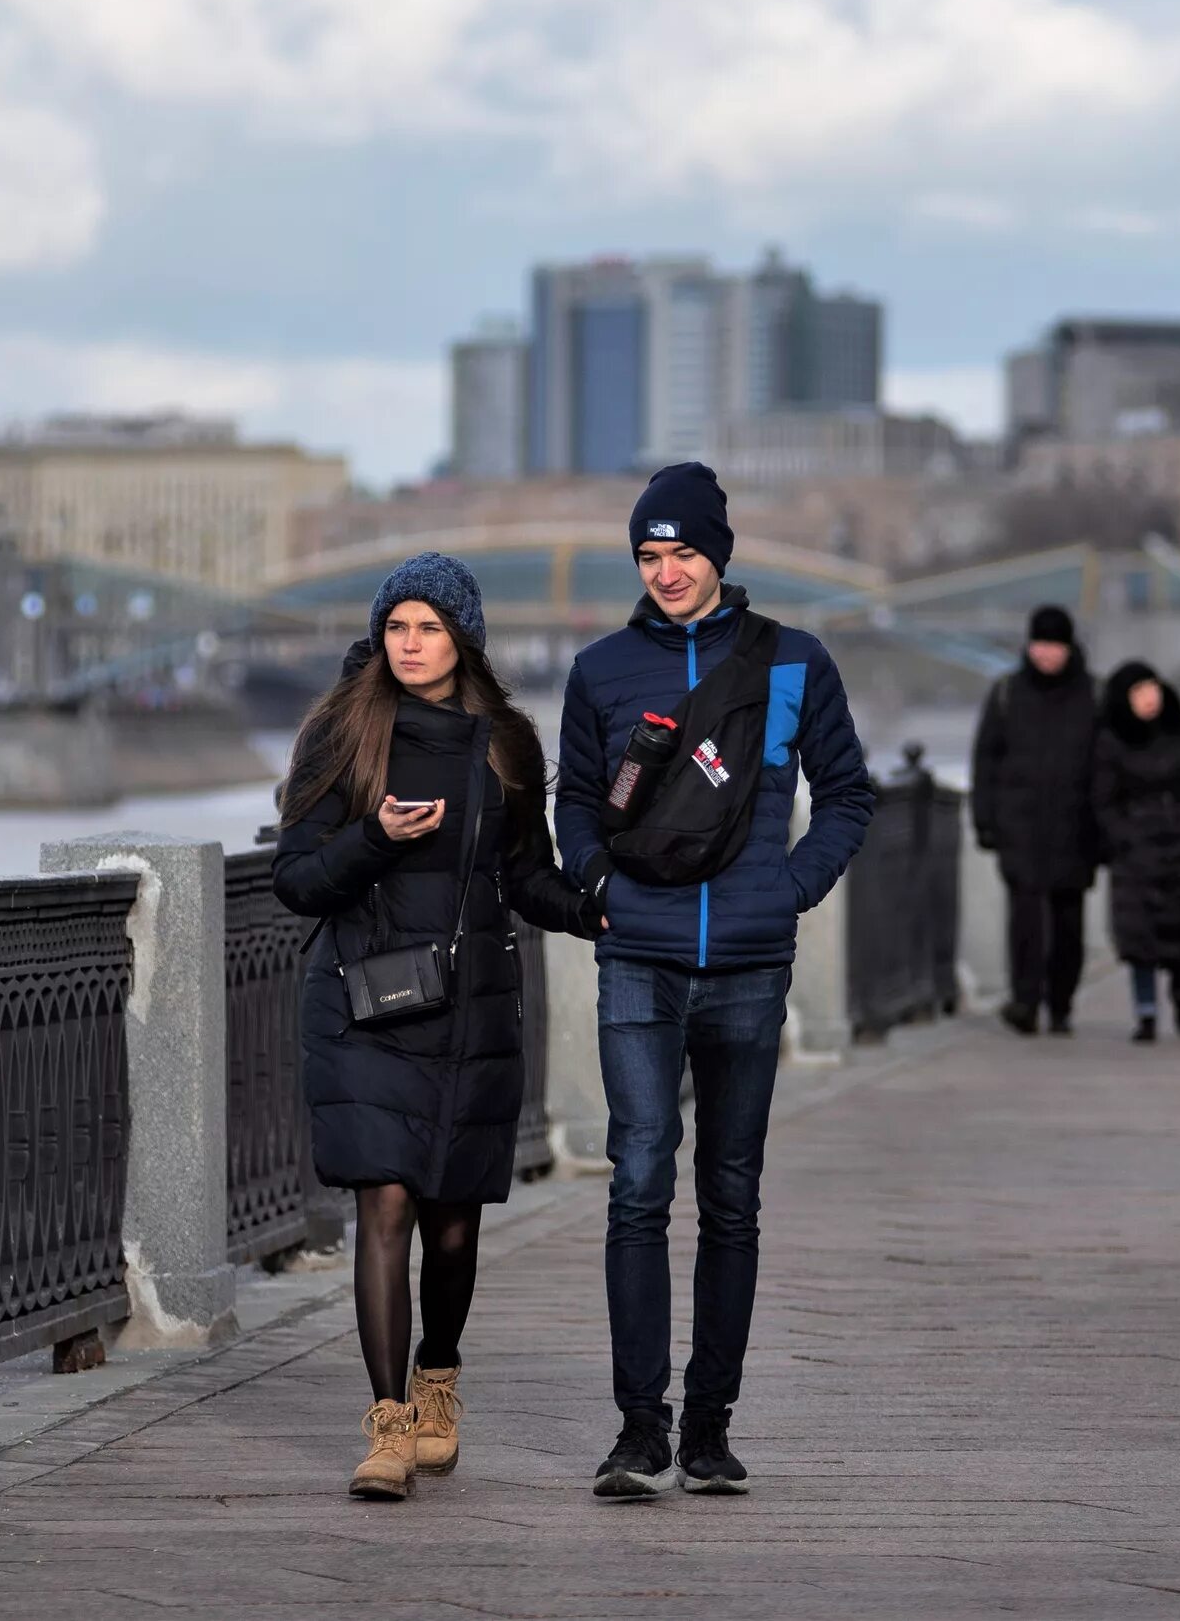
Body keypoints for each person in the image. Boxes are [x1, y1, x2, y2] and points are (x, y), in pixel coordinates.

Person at [554, 463, 875, 1499]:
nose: (667, 573)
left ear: (720, 553)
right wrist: (595, 876)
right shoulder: (601, 670)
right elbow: (571, 800)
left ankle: (709, 1427)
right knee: (640, 1179)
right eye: (648, 556)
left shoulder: (793, 662)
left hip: (746, 962)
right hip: (638, 955)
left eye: (683, 551)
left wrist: (790, 887)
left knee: (730, 1194)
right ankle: (638, 1429)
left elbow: (849, 796)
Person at [274, 553, 602, 1500]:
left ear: (464, 636)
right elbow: (297, 879)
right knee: (383, 1205)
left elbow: (527, 877)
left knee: (452, 1229)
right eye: (397, 627)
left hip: (470, 1011)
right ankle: (385, 1425)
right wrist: (377, 834)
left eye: (429, 627)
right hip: (367, 1004)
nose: (410, 645)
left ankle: (438, 1381)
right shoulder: (343, 734)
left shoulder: (504, 742)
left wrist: (593, 907)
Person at [970, 605, 1101, 1034]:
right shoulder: (1007, 692)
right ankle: (1025, 1001)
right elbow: (985, 760)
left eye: (1054, 645)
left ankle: (1061, 1002)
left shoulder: (1094, 695)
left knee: (1068, 922)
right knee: (1024, 919)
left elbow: (1109, 765)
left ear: (1068, 647)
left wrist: (1107, 825)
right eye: (1040, 644)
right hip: (1019, 826)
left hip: (1076, 826)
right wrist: (984, 820)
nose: (1046, 654)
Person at [1090, 660, 1180, 1043]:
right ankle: (1146, 1011)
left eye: (1152, 689)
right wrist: (1123, 837)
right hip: (1137, 854)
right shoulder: (1111, 741)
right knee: (1140, 938)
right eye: (1138, 693)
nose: (1148, 699)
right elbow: (1103, 799)